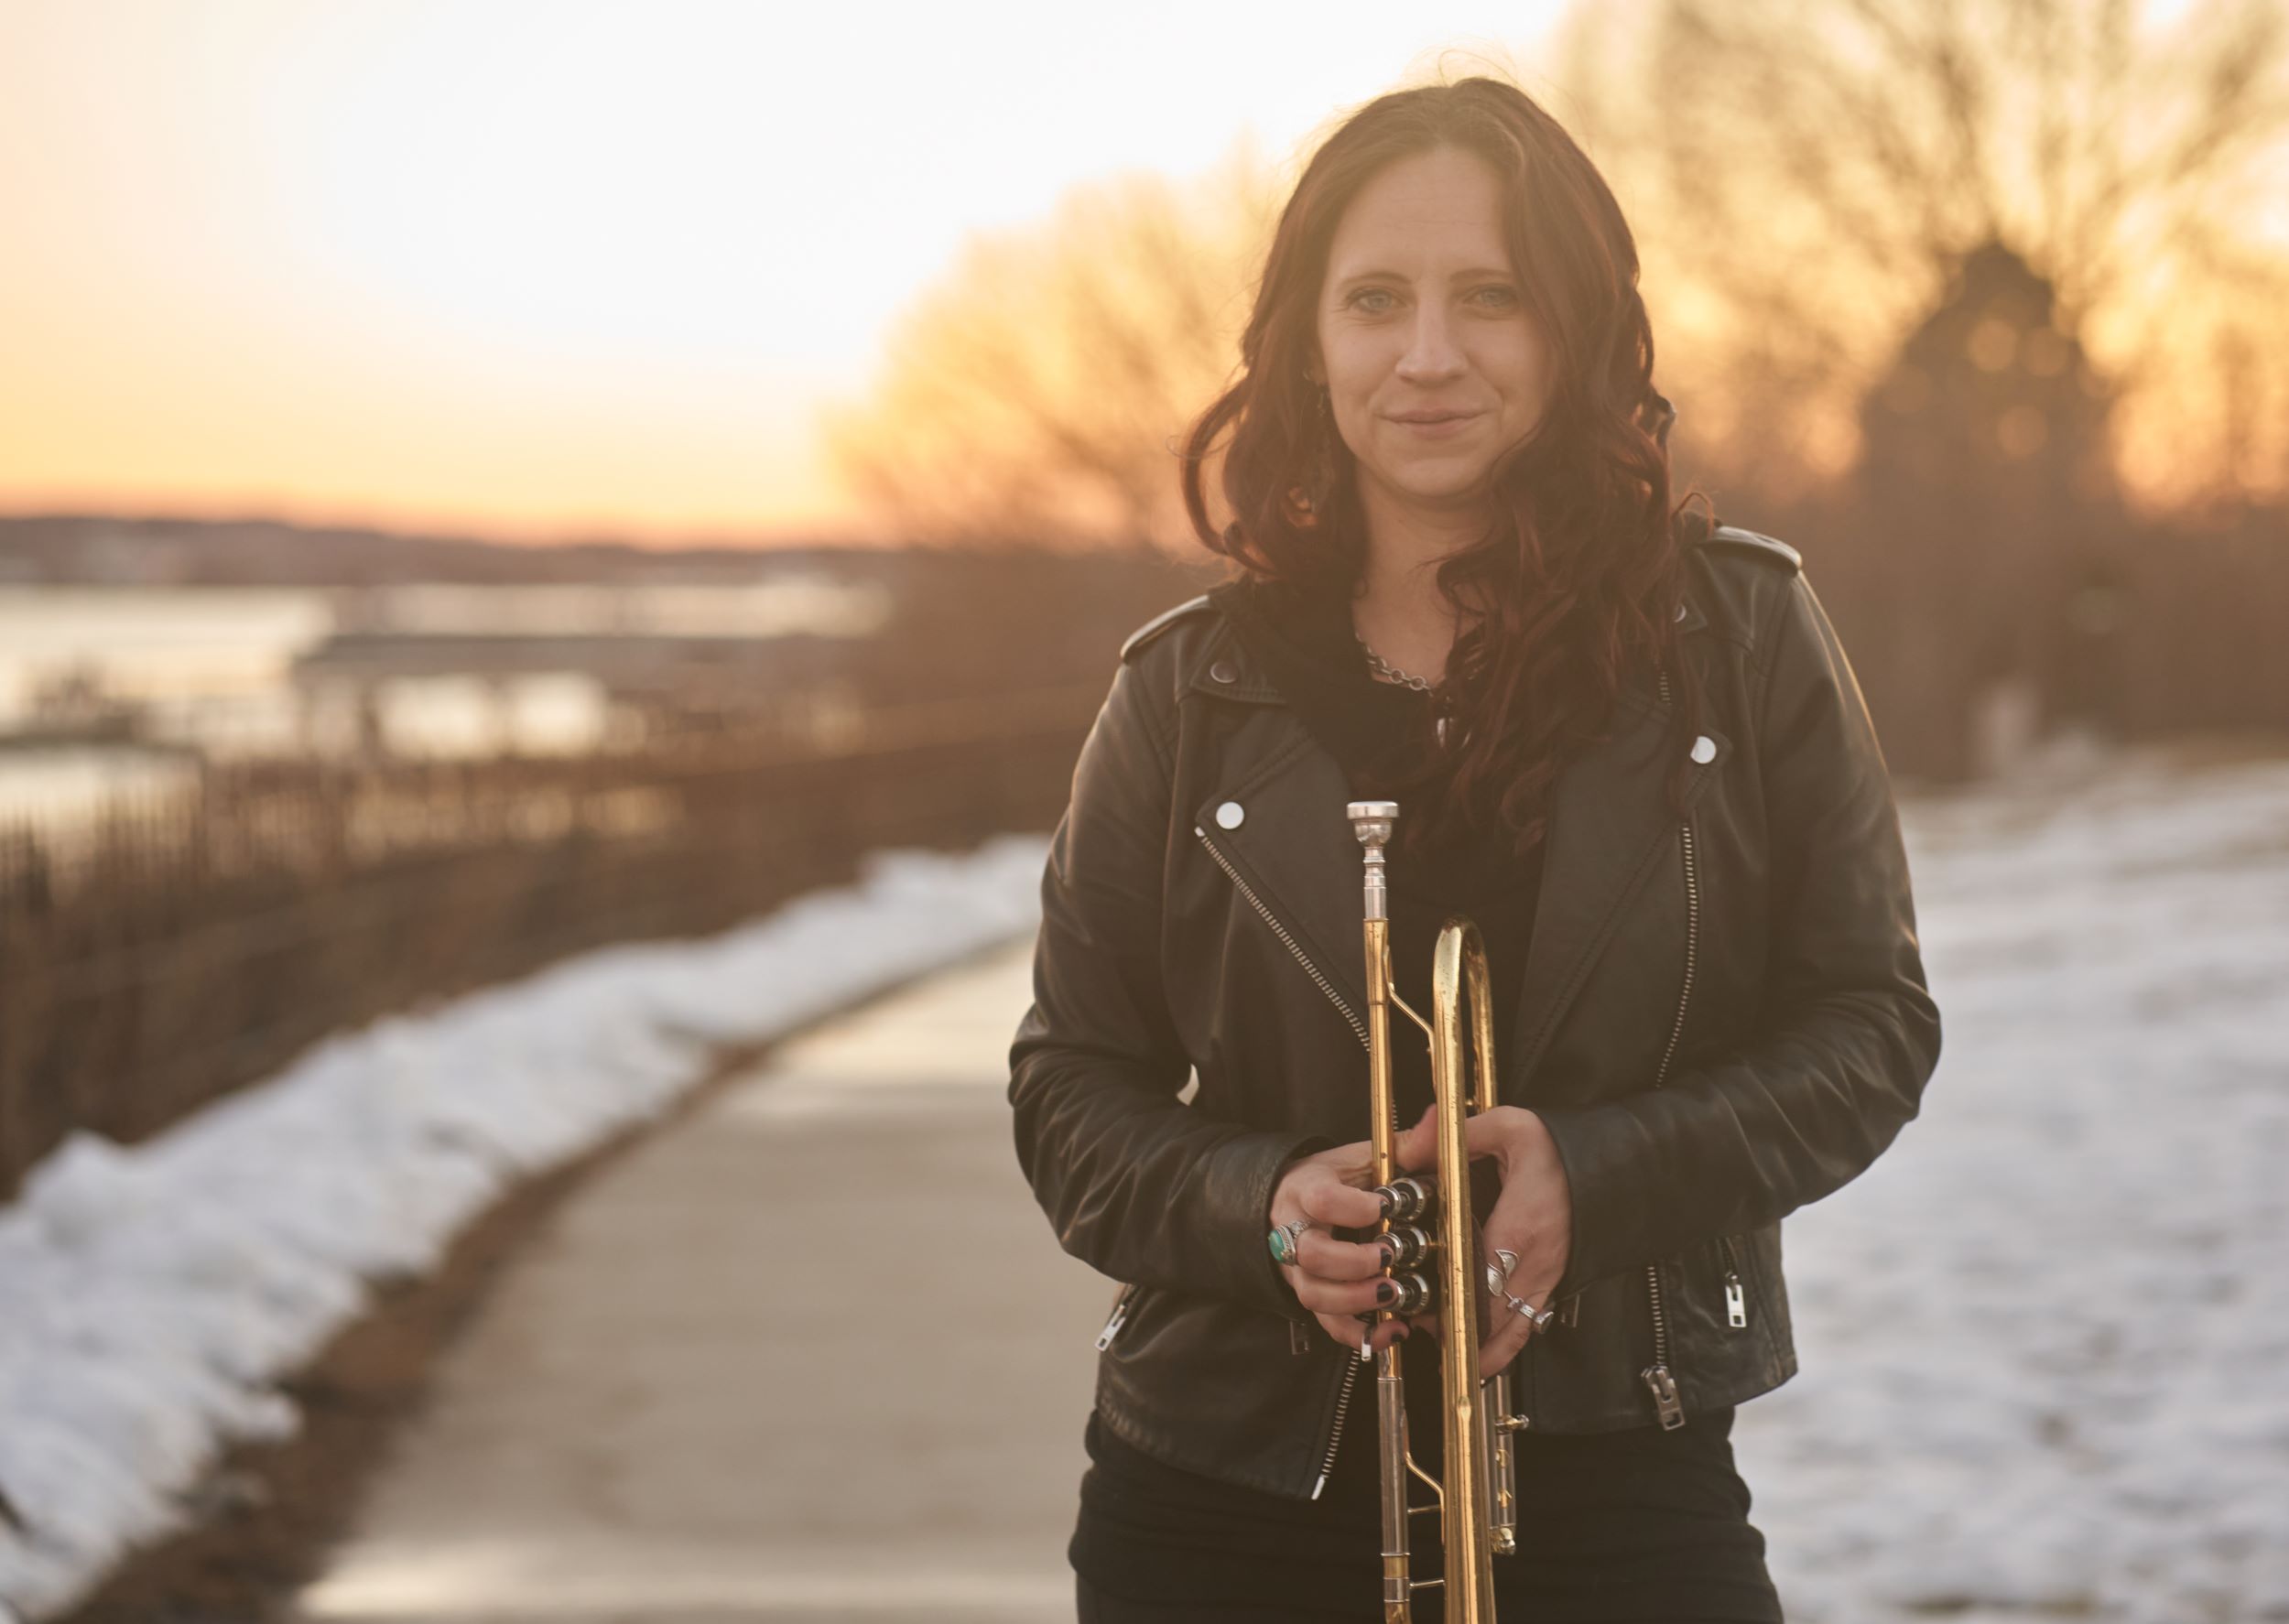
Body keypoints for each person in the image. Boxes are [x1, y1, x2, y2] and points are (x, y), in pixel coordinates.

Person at [1008, 73, 1941, 1623]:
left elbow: (1872, 1029)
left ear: (1574, 328)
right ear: (1309, 342)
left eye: (1489, 297)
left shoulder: (1742, 633)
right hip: (1221, 1498)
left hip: (1622, 1475)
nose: (1427, 354)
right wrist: (1261, 1207)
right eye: (1375, 299)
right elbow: (1067, 1089)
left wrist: (1603, 1172)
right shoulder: (1183, 688)